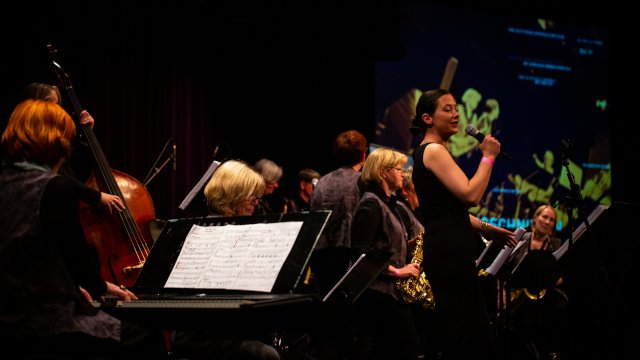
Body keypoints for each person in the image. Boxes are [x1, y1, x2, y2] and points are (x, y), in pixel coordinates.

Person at [0, 99, 167, 359]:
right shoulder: (55, 188)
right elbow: (80, 266)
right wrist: (105, 287)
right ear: (56, 144)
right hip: (46, 324)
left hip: (8, 322)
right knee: (145, 334)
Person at [409, 88, 517, 360]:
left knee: (464, 333)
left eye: (456, 108)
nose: (456, 114)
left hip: (447, 248)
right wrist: (488, 157)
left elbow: (448, 210)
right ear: (427, 118)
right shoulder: (434, 150)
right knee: (470, 337)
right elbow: (471, 195)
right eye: (447, 109)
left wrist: (486, 228)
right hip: (449, 253)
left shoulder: (431, 151)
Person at [171, 159, 282, 360]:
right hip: (198, 331)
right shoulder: (201, 233)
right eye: (251, 198)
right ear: (233, 195)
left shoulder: (240, 229)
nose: (256, 204)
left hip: (226, 324)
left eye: (257, 198)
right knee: (266, 355)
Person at [350, 148, 423, 360]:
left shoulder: (387, 204)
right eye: (398, 169)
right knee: (407, 347)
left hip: (389, 293)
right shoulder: (371, 204)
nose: (402, 173)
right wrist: (399, 272)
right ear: (383, 172)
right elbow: (361, 254)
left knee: (391, 350)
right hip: (378, 294)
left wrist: (407, 245)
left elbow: (384, 242)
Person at [18, 82, 124, 214]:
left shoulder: (54, 137)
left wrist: (87, 136)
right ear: (32, 104)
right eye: (50, 103)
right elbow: (53, 178)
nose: (56, 109)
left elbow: (76, 170)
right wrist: (97, 196)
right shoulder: (24, 138)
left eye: (57, 104)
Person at [307, 129, 367, 359]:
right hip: (349, 254)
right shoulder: (362, 181)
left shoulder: (322, 182)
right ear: (363, 156)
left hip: (322, 254)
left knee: (332, 314)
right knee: (354, 319)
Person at [502, 204, 569, 360]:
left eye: (552, 220)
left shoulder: (557, 245)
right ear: (535, 218)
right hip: (517, 297)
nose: (547, 222)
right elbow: (505, 267)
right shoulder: (520, 239)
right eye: (544, 217)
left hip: (544, 300)